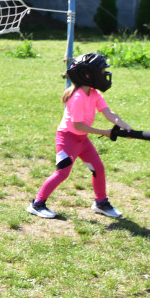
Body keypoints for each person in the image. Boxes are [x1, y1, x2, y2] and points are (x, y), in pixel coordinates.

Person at [27, 52, 133, 220]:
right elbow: (78, 125)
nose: (105, 74)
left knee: (98, 169)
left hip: (81, 139)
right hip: (67, 138)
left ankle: (100, 203)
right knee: (62, 173)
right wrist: (104, 133)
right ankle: (37, 204)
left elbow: (108, 113)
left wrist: (126, 127)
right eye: (102, 71)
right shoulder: (77, 98)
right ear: (88, 74)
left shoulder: (95, 94)